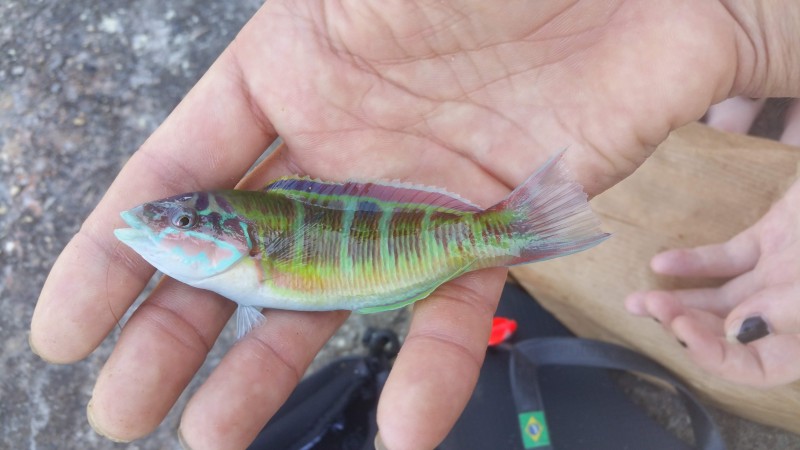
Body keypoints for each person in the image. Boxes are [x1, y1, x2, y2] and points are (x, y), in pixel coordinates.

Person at [28, 1, 800, 449]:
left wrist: (741, 20)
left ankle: (518, 226)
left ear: (227, 237)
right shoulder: (242, 254)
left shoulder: (253, 257)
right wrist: (741, 20)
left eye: (180, 220)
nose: (157, 226)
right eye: (174, 221)